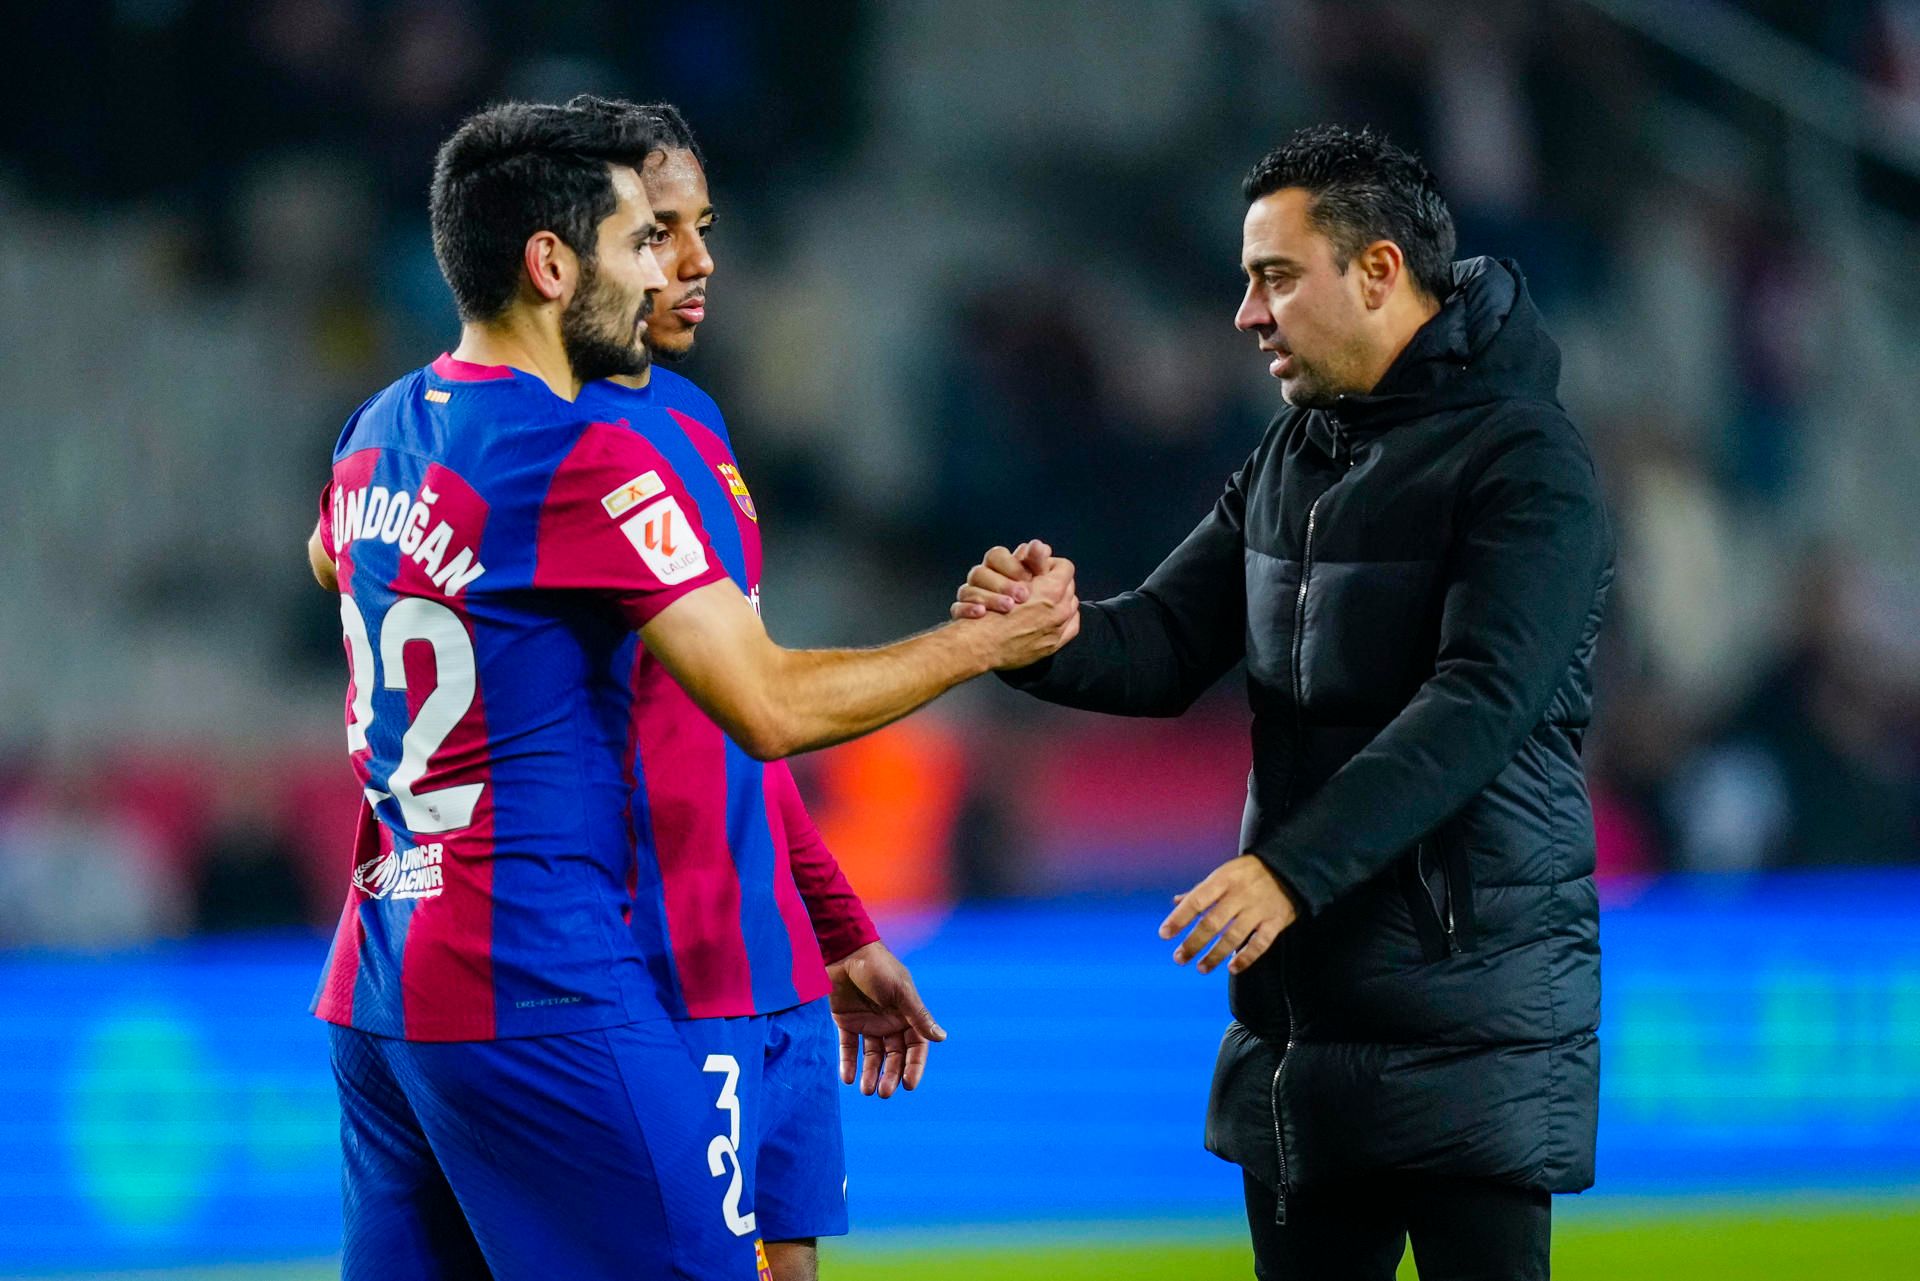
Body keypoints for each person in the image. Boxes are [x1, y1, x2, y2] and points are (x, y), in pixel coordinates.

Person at [306, 99, 1077, 1281]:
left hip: (383, 976)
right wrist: (987, 644)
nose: (668, 267)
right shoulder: (580, 452)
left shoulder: (380, 428)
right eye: (640, 241)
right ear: (553, 265)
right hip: (539, 976)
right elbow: (767, 707)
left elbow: (332, 558)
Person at [957, 126, 1612, 1280]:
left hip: (1471, 1018)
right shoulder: (1293, 458)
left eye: (1274, 278)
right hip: (1304, 1028)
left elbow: (1479, 702)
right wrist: (1037, 634)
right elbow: (1165, 642)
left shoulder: (1527, 462)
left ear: (1378, 272)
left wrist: (1290, 872)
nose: (1246, 315)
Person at [578, 95, 944, 1280]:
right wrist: (984, 643)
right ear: (577, 245)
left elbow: (740, 722)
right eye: (660, 234)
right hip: (654, 973)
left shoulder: (694, 421)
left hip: (771, 967)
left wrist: (835, 930)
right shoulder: (548, 447)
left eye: (706, 227)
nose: (699, 263)